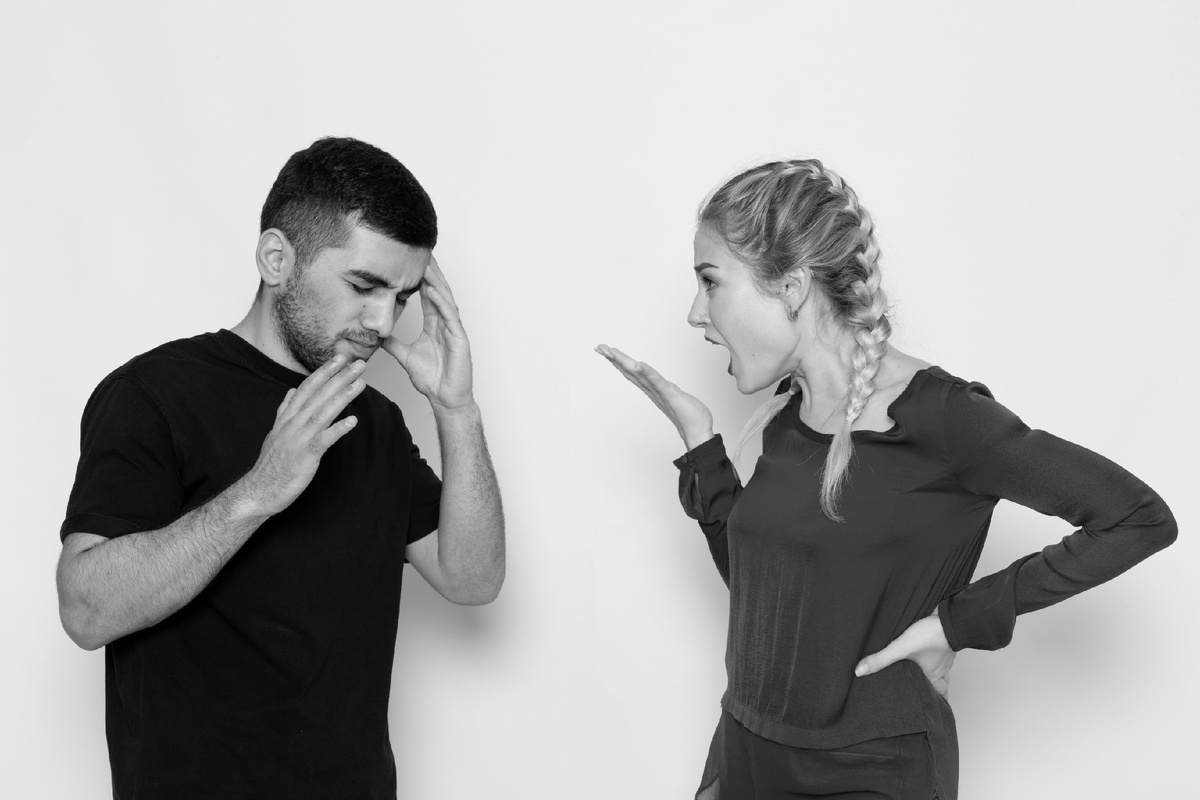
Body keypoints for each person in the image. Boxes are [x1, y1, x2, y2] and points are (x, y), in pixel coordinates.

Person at [596, 160, 1175, 800]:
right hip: (745, 751)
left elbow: (1137, 518)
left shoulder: (945, 417)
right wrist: (703, 446)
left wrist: (957, 623)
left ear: (790, 287)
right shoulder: (788, 417)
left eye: (710, 282)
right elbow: (768, 592)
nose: (695, 313)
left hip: (869, 772)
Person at [56, 136, 505, 800]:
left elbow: (472, 579)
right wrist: (259, 491)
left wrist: (456, 409)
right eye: (364, 285)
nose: (383, 321)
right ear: (276, 259)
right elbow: (85, 610)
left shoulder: (375, 420)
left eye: (403, 298)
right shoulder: (154, 395)